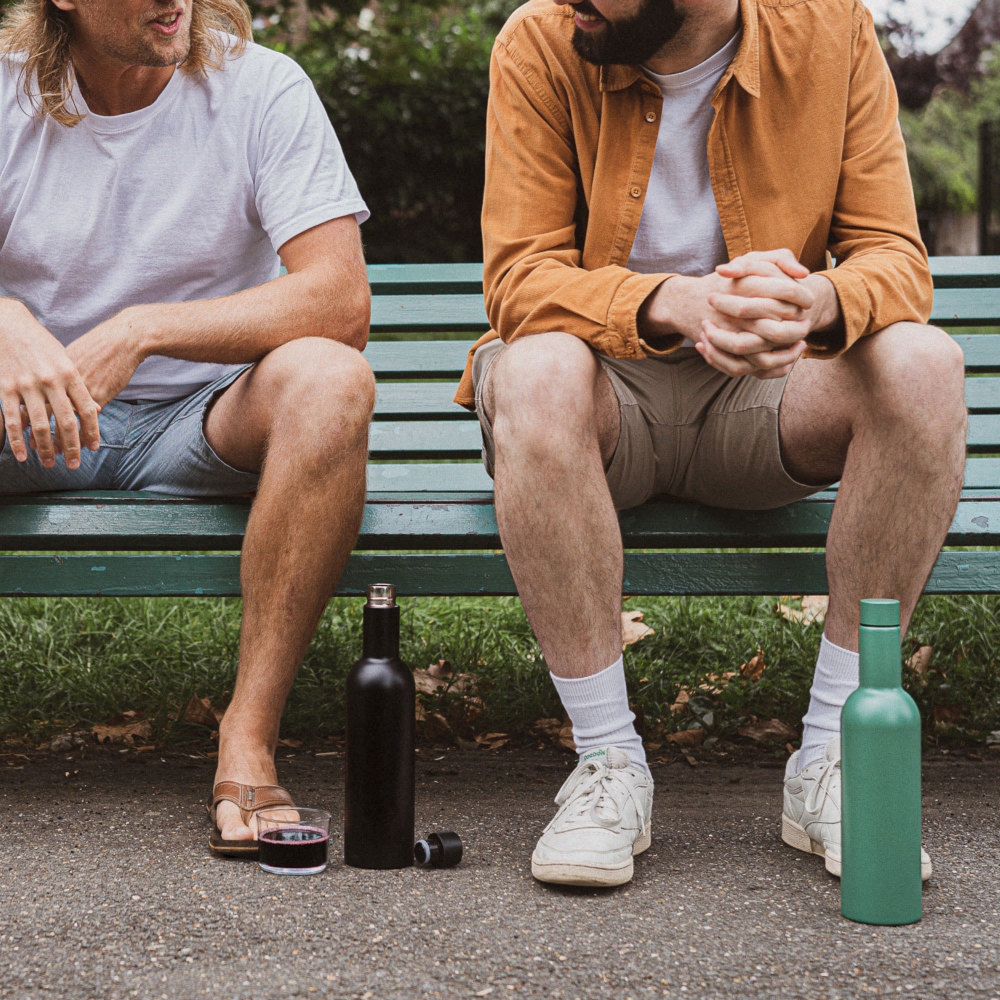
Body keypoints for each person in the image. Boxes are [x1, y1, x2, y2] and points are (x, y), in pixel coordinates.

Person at [455, 0, 968, 887]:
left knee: (924, 362)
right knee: (531, 368)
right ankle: (607, 763)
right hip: (602, 392)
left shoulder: (831, 28)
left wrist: (816, 304)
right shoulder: (540, 40)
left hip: (767, 394)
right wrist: (674, 303)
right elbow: (520, 278)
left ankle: (834, 760)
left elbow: (894, 257)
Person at [0, 0, 373, 856]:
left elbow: (338, 300)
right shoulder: (9, 95)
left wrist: (142, 329)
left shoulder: (263, 86)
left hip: (199, 419)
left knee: (330, 378)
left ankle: (247, 739)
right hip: (34, 419)